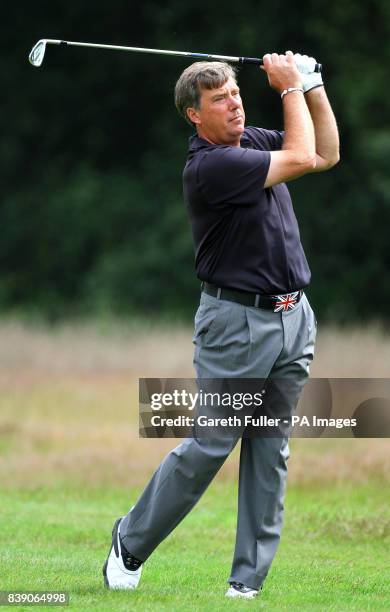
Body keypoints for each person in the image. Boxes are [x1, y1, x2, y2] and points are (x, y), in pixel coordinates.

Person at [103, 51, 339, 599]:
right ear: (194, 115)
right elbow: (303, 156)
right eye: (219, 100)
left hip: (292, 319)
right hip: (236, 324)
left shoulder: (250, 143)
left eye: (235, 94)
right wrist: (288, 87)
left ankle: (245, 584)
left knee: (270, 446)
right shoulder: (211, 167)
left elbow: (324, 152)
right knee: (212, 442)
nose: (233, 105)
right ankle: (130, 541)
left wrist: (314, 84)